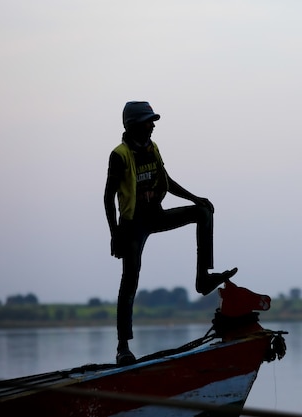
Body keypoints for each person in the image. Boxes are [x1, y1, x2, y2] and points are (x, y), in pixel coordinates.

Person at [104, 101, 238, 365]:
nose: (153, 125)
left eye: (152, 121)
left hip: (156, 215)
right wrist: (115, 233)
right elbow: (108, 197)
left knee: (203, 212)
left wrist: (195, 198)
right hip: (134, 225)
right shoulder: (119, 155)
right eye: (148, 121)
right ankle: (123, 347)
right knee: (130, 279)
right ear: (133, 125)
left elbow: (166, 181)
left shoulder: (152, 149)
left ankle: (203, 278)